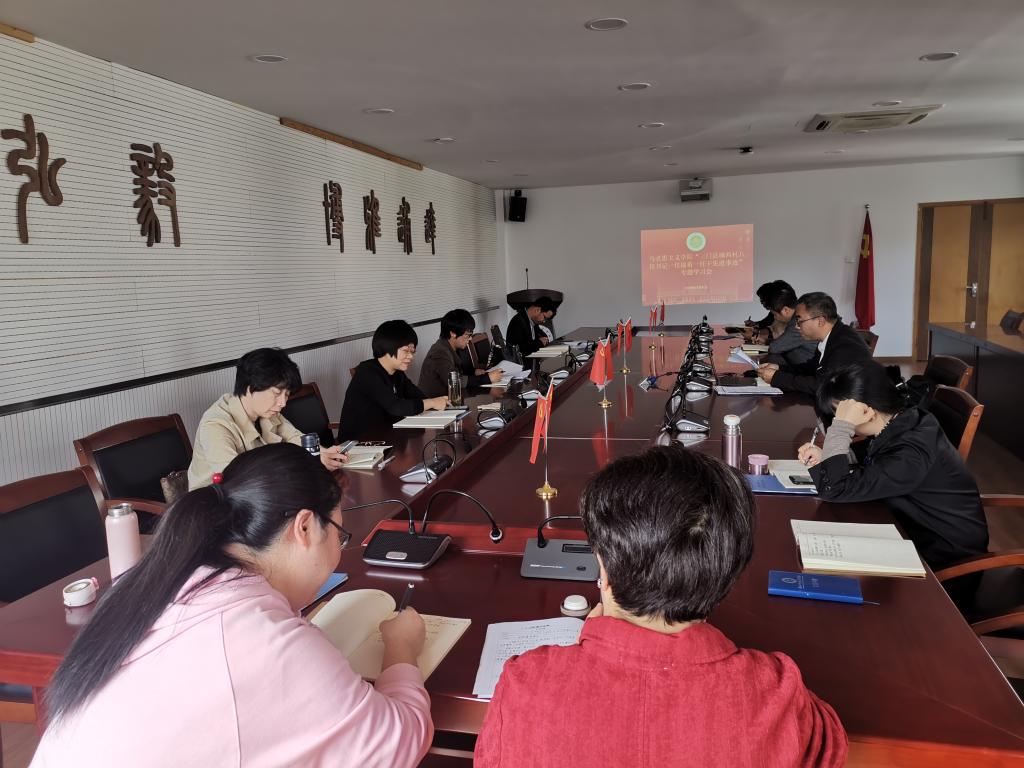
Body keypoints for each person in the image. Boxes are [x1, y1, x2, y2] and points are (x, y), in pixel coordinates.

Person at [32, 443, 432, 767]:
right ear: (305, 527)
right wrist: (401, 648)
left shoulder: (161, 582)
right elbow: (397, 743)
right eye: (339, 535)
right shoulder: (261, 640)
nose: (339, 549)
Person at [474, 446, 848, 768]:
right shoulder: (778, 692)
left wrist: (587, 645)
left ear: (602, 565)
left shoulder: (525, 684)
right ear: (731, 569)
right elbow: (828, 746)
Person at [798, 362, 988, 573]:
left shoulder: (910, 452)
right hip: (906, 531)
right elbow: (875, 457)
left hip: (942, 563)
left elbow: (833, 489)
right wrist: (830, 455)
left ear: (867, 411)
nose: (838, 421)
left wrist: (841, 429)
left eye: (841, 416)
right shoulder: (906, 420)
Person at [188, 347, 347, 489]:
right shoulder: (216, 425)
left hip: (262, 493)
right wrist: (308, 462)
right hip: (216, 504)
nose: (283, 403)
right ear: (250, 388)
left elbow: (293, 437)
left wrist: (323, 454)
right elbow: (237, 480)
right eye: (277, 394)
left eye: (286, 394)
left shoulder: (266, 411)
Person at [338, 320, 447, 441]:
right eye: (406, 351)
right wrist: (432, 403)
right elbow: (396, 407)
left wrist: (439, 401)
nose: (411, 356)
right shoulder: (367, 373)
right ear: (387, 347)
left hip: (386, 436)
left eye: (412, 352)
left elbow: (418, 396)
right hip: (358, 443)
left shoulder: (397, 372)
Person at [758, 291, 871, 396]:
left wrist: (777, 378)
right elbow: (812, 368)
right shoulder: (832, 336)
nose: (796, 326)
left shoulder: (844, 344)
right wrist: (779, 368)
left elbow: (822, 385)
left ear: (820, 321)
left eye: (800, 320)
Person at [418, 309, 502, 397]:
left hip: (449, 399)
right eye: (468, 335)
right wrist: (487, 378)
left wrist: (473, 372)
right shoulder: (440, 352)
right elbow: (455, 381)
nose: (470, 338)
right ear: (453, 333)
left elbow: (454, 371)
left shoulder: (448, 346)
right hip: (434, 402)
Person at [762, 284, 819, 367]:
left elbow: (775, 348)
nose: (775, 318)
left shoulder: (798, 322)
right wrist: (766, 341)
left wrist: (768, 341)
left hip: (808, 368)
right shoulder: (801, 316)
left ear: (785, 310)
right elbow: (786, 342)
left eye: (775, 314)